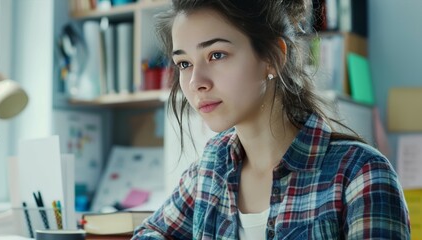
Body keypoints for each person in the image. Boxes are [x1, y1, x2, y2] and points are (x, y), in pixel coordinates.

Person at [132, 0, 410, 239]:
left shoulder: (361, 175)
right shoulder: (209, 171)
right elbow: (149, 233)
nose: (196, 82)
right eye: (184, 63)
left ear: (273, 57)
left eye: (217, 55)